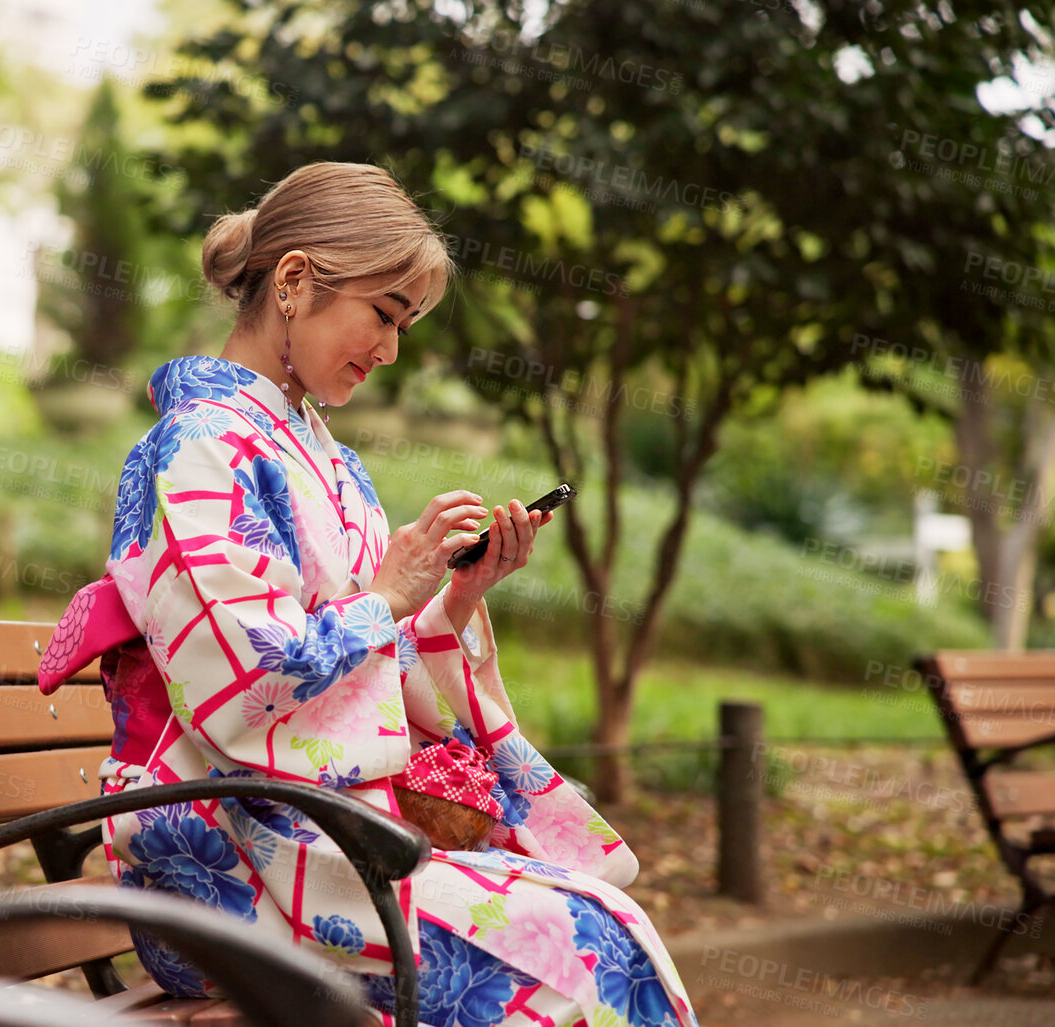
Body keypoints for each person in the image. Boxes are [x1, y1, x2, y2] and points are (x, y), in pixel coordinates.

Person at [35, 162, 697, 1026]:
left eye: (404, 324)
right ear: (295, 280)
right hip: (226, 860)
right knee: (584, 944)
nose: (389, 349)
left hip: (314, 831)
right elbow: (240, 685)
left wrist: (450, 600)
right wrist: (388, 594)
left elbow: (362, 642)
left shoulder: (326, 459)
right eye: (382, 314)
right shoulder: (197, 448)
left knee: (602, 926)